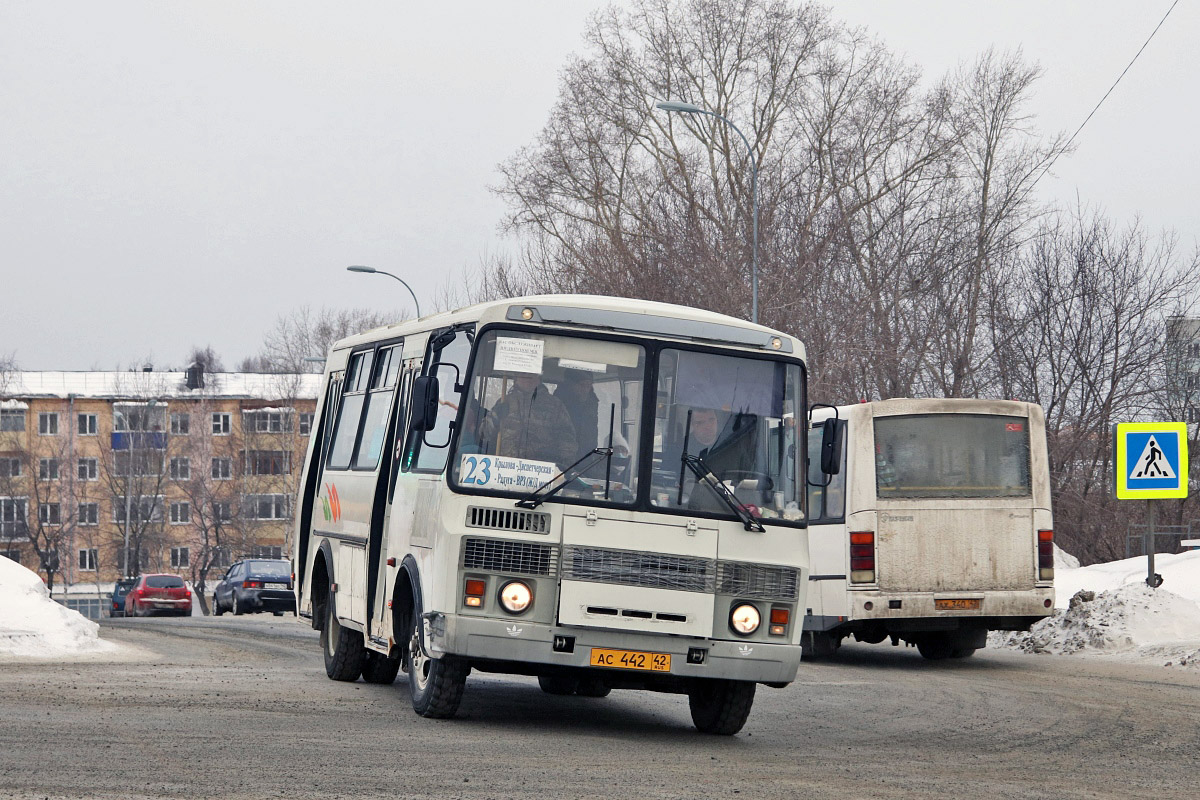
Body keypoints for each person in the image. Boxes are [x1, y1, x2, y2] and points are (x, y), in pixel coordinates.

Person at [489, 373, 577, 467]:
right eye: (523, 375)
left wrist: (563, 468)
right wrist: (494, 418)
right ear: (516, 378)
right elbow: (484, 435)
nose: (527, 379)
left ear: (539, 378)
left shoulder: (554, 405)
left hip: (540, 470)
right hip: (505, 468)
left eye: (532, 375)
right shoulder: (504, 401)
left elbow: (567, 440)